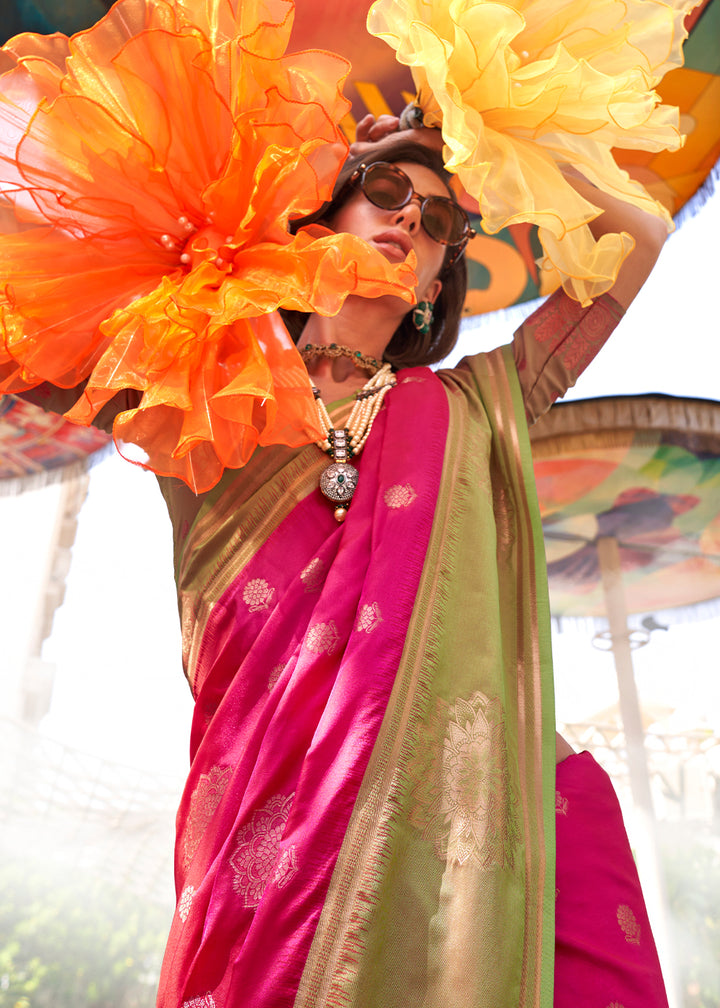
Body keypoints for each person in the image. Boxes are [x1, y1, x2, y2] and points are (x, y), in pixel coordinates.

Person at [0, 2, 679, 1004]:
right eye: (387, 193)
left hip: (472, 837)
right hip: (272, 858)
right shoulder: (207, 378)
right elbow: (44, 341)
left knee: (575, 826)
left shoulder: (482, 403)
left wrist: (507, 126)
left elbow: (642, 228)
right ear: (325, 217)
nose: (412, 217)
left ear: (438, 280)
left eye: (440, 220)